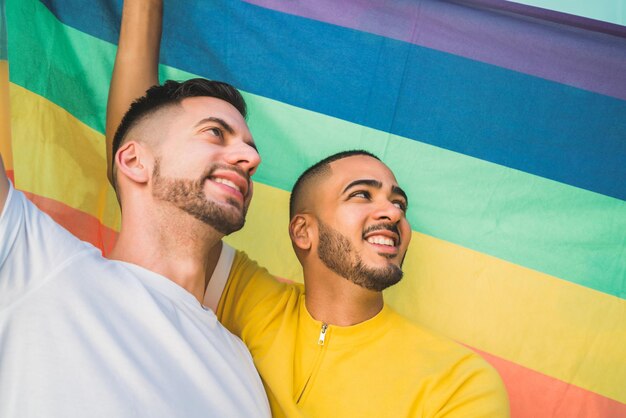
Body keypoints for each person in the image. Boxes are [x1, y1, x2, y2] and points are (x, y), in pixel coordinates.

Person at [106, 1, 510, 417]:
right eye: (361, 194)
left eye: (398, 202)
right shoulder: (252, 303)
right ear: (303, 231)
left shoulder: (459, 380)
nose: (392, 212)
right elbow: (152, 178)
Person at [0, 77, 270, 418]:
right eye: (215, 132)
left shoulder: (243, 368)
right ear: (133, 161)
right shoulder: (38, 261)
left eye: (250, 147)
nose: (251, 157)